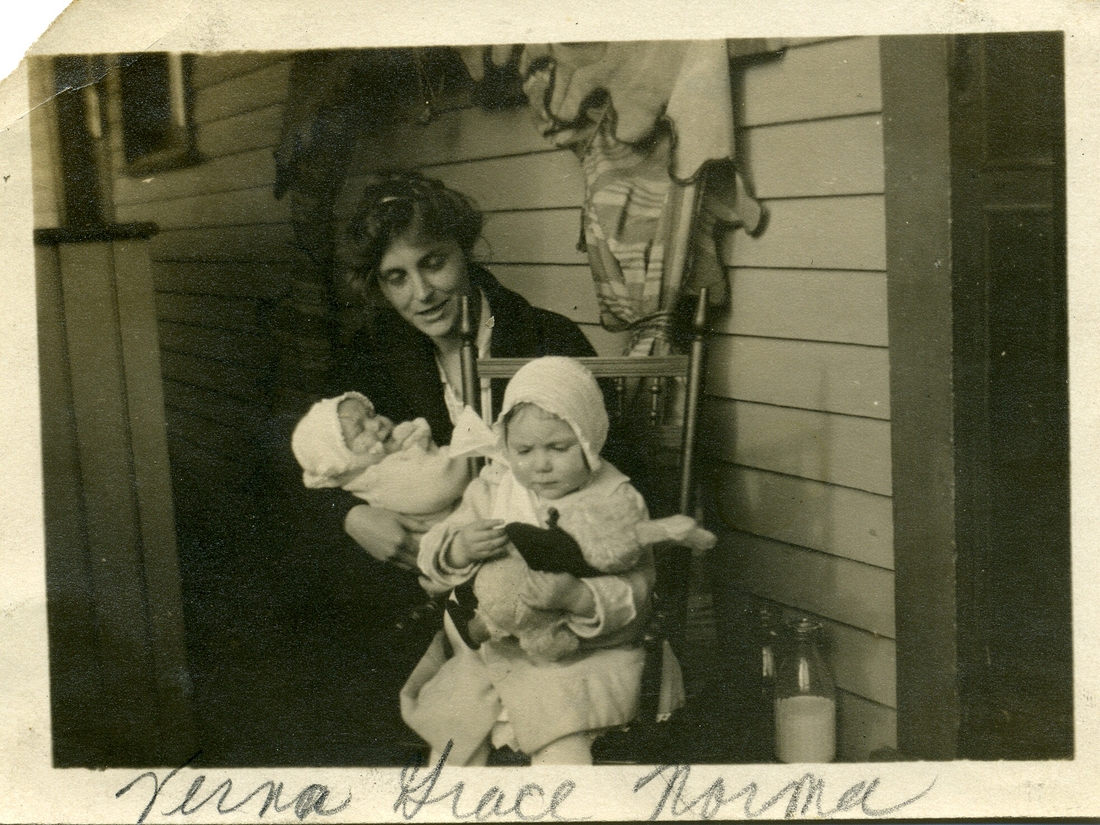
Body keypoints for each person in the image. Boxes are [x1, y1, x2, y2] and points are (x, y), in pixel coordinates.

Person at [400, 357, 715, 766]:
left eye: (559, 448)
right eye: (524, 450)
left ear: (588, 442)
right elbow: (435, 546)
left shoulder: (614, 499)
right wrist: (459, 546)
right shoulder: (495, 487)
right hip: (498, 645)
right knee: (458, 732)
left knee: (561, 738)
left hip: (584, 653)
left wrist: (578, 596)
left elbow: (636, 586)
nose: (541, 464)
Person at [291, 391, 468, 521]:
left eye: (371, 414)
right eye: (359, 430)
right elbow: (443, 482)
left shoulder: (388, 452)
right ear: (345, 461)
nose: (376, 424)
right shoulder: (380, 479)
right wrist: (471, 441)